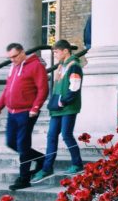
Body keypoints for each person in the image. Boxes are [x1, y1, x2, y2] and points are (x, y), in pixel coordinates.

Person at [0, 43, 49, 190]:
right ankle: (40, 158)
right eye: (10, 57)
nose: (12, 60)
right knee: (11, 142)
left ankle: (24, 178)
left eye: (15, 56)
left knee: (23, 145)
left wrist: (36, 107)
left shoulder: (36, 66)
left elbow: (43, 88)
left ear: (22, 52)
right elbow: (7, 89)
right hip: (12, 112)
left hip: (27, 112)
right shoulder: (14, 67)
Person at [32, 40, 85, 183]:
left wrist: (63, 101)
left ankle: (77, 164)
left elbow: (74, 87)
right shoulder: (62, 66)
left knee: (67, 135)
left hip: (68, 107)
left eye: (56, 52)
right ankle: (47, 168)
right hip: (57, 109)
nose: (54, 55)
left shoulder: (74, 66)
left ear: (66, 51)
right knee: (51, 136)